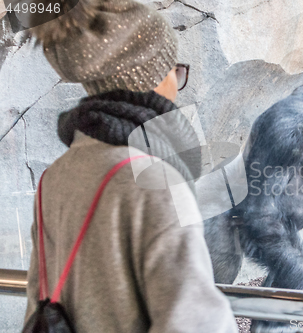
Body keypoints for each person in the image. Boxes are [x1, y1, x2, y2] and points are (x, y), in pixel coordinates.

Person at [24, 0, 238, 331]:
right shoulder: (157, 179)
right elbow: (195, 323)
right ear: (150, 78)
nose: (176, 83)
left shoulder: (56, 176)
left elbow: (39, 300)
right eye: (173, 69)